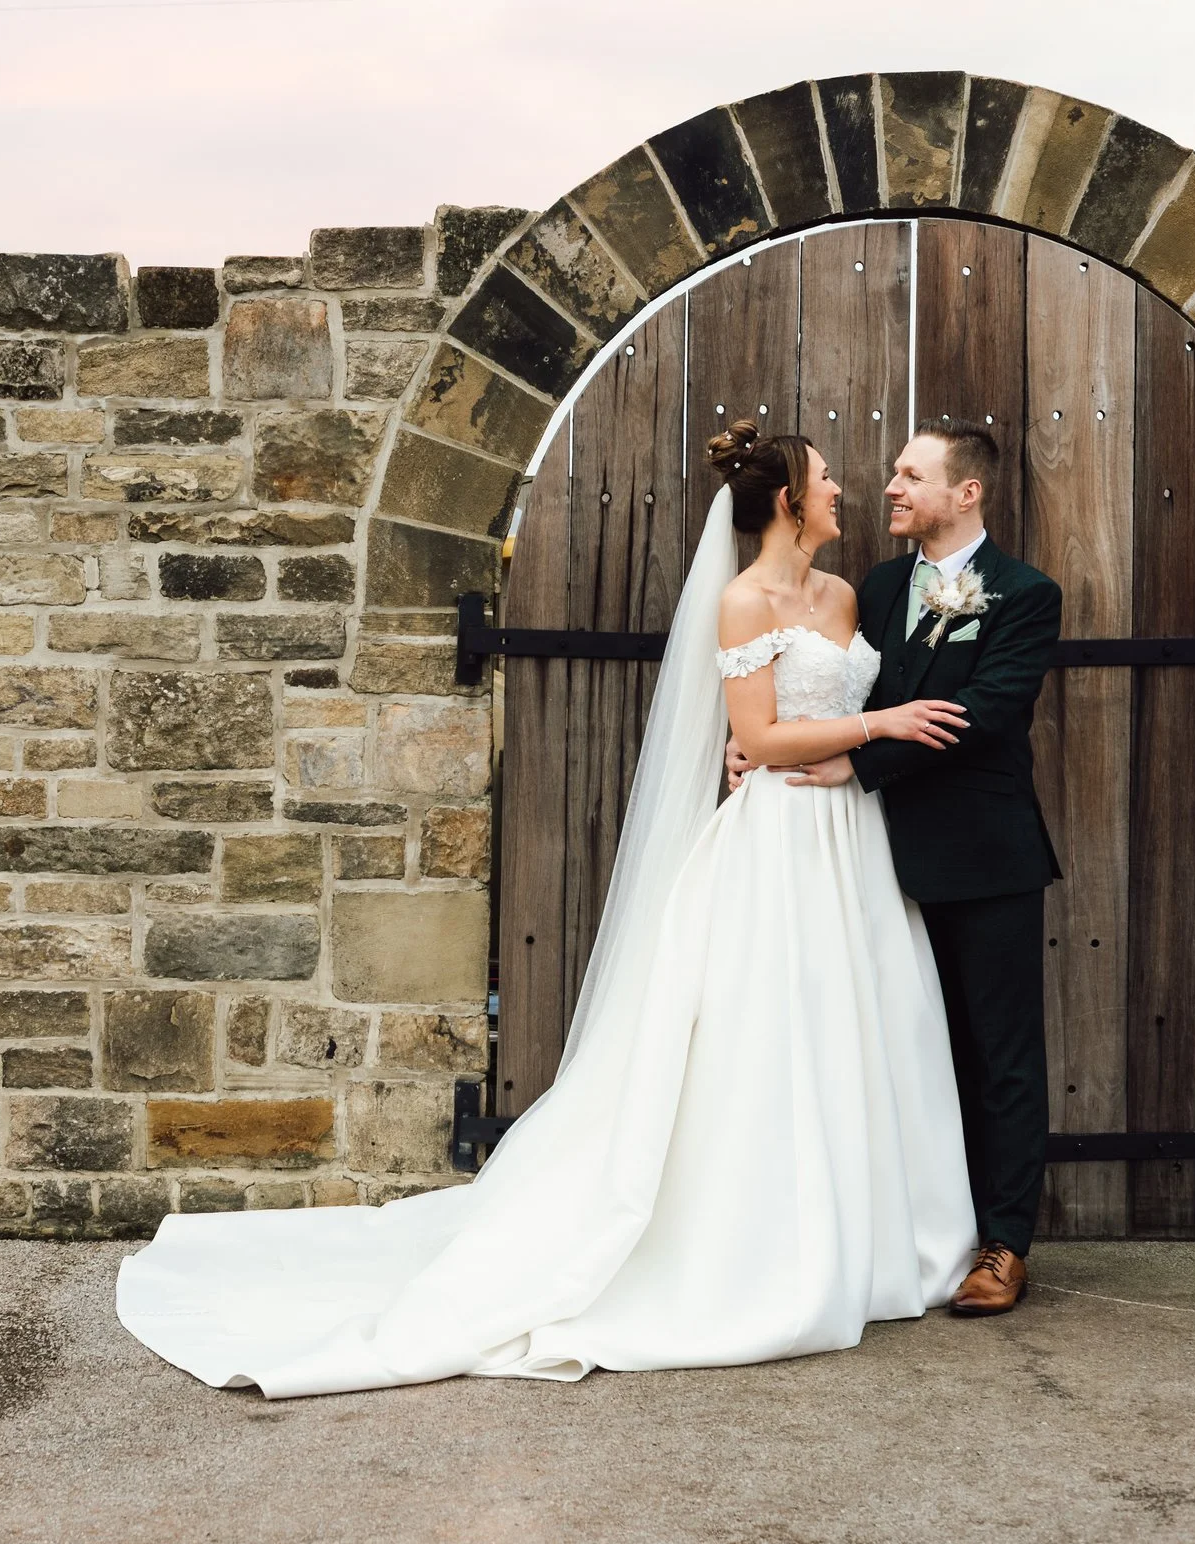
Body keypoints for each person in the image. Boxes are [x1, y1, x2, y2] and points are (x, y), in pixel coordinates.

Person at [115, 419, 981, 1398]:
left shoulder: (846, 592)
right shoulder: (742, 603)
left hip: (849, 843)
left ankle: (869, 1237)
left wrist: (854, 745)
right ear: (786, 500)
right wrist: (874, 724)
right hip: (779, 844)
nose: (842, 493)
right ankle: (770, 1247)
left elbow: (818, 716)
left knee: (855, 1026)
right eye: (826, 480)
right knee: (765, 1035)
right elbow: (758, 734)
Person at [732, 419, 1063, 1315]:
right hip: (869, 863)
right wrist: (751, 745)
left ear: (967, 492)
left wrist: (859, 761)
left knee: (1000, 1056)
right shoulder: (872, 589)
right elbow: (833, 688)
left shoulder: (1026, 595)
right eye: (889, 472)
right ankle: (910, 1230)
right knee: (903, 1053)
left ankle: (1002, 1244)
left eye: (911, 475)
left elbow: (983, 713)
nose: (889, 487)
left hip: (984, 854)